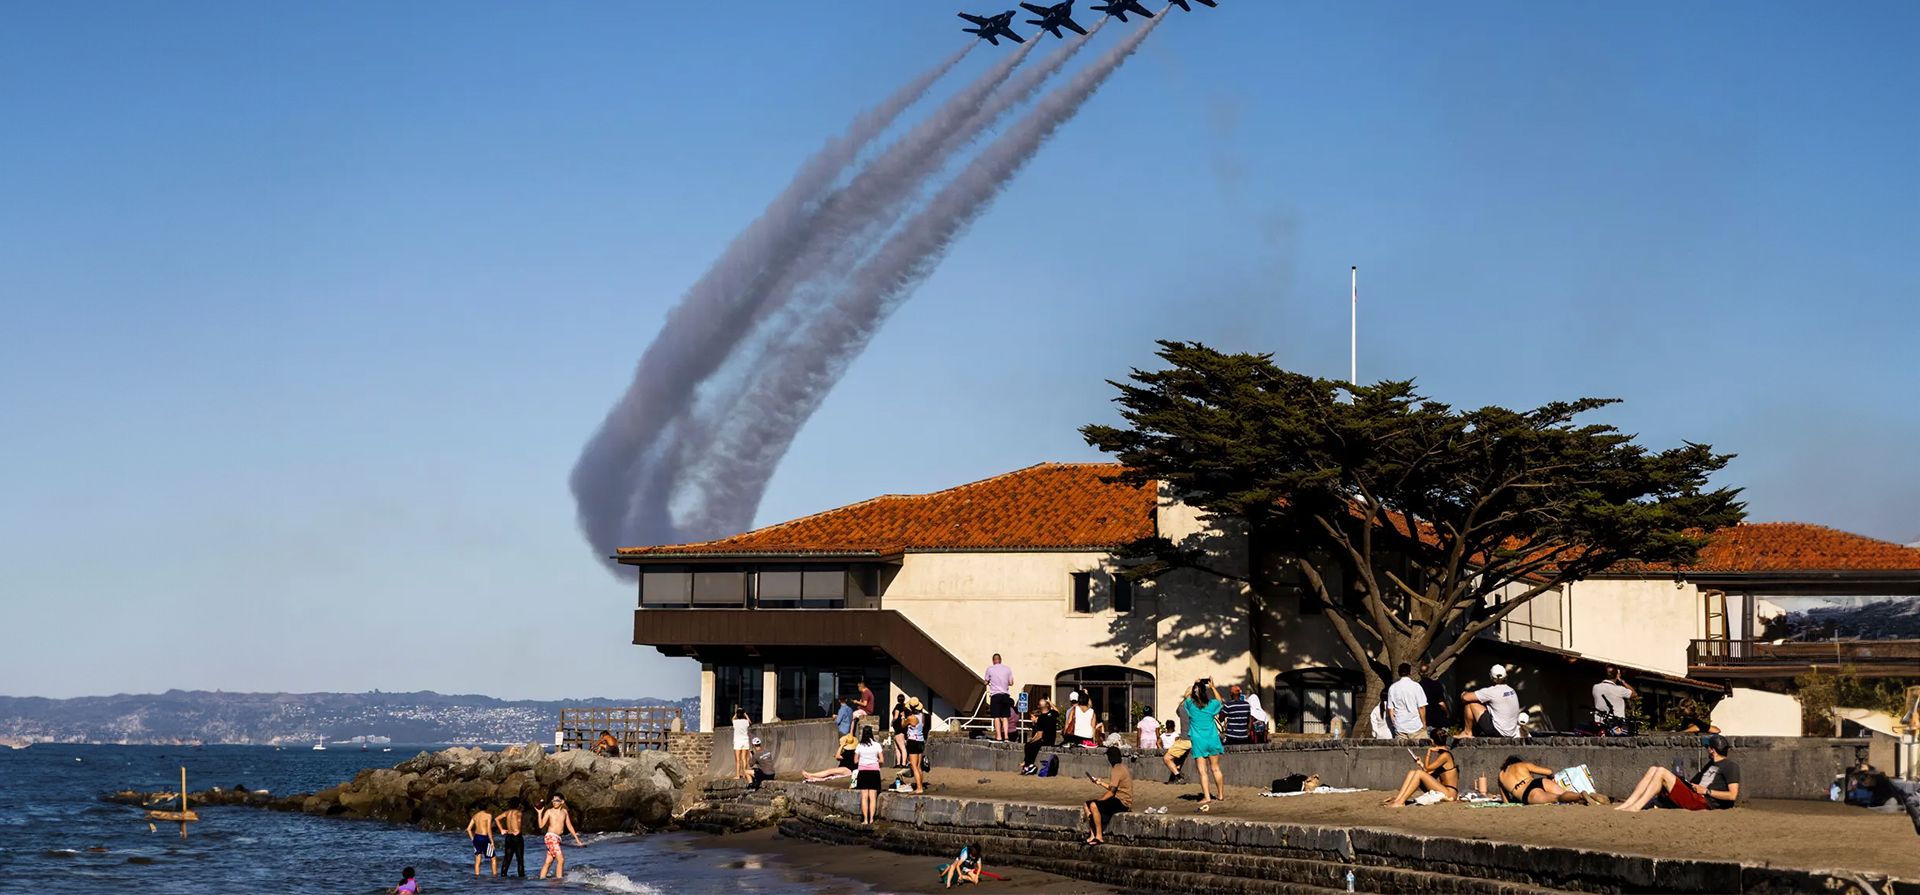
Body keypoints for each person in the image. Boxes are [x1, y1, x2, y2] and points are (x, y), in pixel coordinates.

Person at [1616, 734, 1742, 812]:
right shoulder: (1710, 765)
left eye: (1708, 747)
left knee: (1661, 772)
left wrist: (1706, 791)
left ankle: (1636, 807)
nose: (1707, 750)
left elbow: (1732, 795)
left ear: (1712, 750)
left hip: (1704, 802)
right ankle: (1629, 803)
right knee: (1653, 769)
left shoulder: (1730, 766)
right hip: (1695, 795)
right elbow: (1694, 783)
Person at [1382, 733, 1458, 808]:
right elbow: (1429, 773)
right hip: (1444, 790)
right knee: (1412, 772)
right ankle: (1398, 799)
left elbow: (1428, 768)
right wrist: (1420, 763)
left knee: (1419, 773)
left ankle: (1401, 802)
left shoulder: (1445, 756)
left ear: (1432, 741)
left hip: (1450, 794)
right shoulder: (1444, 755)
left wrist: (1429, 751)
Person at [1183, 679, 1226, 810]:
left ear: (1195, 693)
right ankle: (1220, 795)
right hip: (1212, 738)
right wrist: (1212, 687)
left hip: (1198, 740)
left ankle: (1207, 797)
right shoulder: (1211, 704)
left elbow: (1186, 694)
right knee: (1216, 769)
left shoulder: (1190, 704)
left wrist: (1195, 683)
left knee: (1203, 772)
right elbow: (1220, 701)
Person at [1082, 746, 1133, 845]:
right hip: (1118, 799)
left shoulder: (1117, 770)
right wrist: (1100, 783)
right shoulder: (1121, 767)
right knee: (1086, 804)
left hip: (1122, 802)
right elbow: (1114, 787)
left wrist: (1100, 801)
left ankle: (1099, 836)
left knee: (1093, 805)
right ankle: (1092, 834)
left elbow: (1112, 792)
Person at [1459, 665, 1522, 738]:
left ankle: (1467, 732)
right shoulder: (1511, 690)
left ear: (1491, 677)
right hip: (1511, 731)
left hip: (1499, 731)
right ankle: (1476, 732)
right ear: (1506, 676)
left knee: (1471, 704)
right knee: (1486, 704)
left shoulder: (1491, 691)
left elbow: (1465, 698)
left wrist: (1463, 693)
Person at [1498, 756, 1591, 805]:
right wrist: (1550, 779)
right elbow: (1549, 771)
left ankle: (1581, 795)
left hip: (1528, 794)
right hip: (1538, 781)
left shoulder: (1501, 776)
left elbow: (1506, 802)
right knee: (1564, 794)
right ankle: (1584, 797)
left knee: (1557, 798)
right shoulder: (1523, 765)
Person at [536, 794, 584, 880]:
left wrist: (577, 839)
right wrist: (539, 813)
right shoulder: (549, 811)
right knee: (561, 860)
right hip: (550, 837)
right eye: (553, 800)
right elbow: (541, 825)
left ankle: (541, 879)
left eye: (557, 800)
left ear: (562, 801)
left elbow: (569, 826)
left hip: (557, 838)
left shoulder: (564, 812)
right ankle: (559, 881)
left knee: (549, 861)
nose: (554, 802)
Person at [1386, 663, 1430, 742]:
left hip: (1400, 726)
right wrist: (1424, 723)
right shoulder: (1416, 686)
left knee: (1403, 752)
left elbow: (1390, 709)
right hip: (1416, 724)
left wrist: (1395, 723)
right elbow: (1421, 707)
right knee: (1422, 750)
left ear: (1399, 673)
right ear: (1410, 673)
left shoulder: (1393, 688)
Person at [854, 725, 886, 824]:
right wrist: (876, 762)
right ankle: (872, 819)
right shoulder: (877, 745)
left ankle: (865, 819)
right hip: (874, 772)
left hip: (863, 772)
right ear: (871, 733)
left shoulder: (859, 746)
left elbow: (855, 761)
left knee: (864, 797)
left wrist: (863, 760)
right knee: (873, 797)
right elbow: (882, 760)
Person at [1020, 698, 1059, 775]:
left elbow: (1039, 735)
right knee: (1031, 745)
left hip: (1044, 740)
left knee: (1028, 746)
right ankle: (1028, 764)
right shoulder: (1052, 713)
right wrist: (1050, 702)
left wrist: (1031, 741)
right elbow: (1057, 711)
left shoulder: (1041, 718)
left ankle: (1028, 765)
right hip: (1052, 739)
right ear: (1047, 705)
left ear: (1040, 707)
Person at [984, 653, 1015, 742]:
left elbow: (986, 682)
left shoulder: (990, 669)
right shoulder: (1007, 669)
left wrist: (989, 682)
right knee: (1005, 717)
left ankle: (998, 736)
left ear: (993, 660)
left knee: (996, 716)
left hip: (995, 695)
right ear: (1000, 660)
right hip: (1005, 695)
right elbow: (1011, 682)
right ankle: (1006, 736)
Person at [494, 797, 527, 878]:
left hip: (508, 836)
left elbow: (496, 819)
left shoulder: (507, 812)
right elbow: (519, 824)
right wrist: (519, 830)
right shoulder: (518, 813)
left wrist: (502, 829)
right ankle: (521, 878)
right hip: (516, 836)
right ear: (518, 804)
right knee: (520, 859)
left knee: (507, 859)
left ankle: (503, 876)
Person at [1417, 661, 1451, 740]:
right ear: (1429, 673)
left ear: (1419, 673)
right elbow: (1441, 703)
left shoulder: (1417, 687)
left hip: (1424, 719)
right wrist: (1447, 713)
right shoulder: (1436, 684)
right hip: (1438, 718)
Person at [904, 697, 929, 792]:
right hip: (921, 740)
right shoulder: (922, 716)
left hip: (913, 741)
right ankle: (920, 785)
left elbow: (903, 724)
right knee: (919, 766)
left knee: (914, 766)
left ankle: (919, 788)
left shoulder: (911, 718)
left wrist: (903, 717)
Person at [465, 805, 496, 876]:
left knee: (477, 860)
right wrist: (492, 842)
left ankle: (477, 877)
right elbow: (489, 830)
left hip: (476, 838)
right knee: (493, 858)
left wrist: (472, 839)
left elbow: (468, 829)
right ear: (486, 807)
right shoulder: (488, 815)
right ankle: (495, 877)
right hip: (484, 838)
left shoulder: (475, 816)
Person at [731, 706, 753, 781]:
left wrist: (735, 714)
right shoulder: (745, 722)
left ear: (737, 714)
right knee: (744, 759)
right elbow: (750, 722)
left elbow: (732, 719)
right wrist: (746, 715)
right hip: (745, 740)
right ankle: (744, 774)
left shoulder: (735, 722)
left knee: (738, 760)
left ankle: (737, 775)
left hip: (737, 741)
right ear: (743, 714)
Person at [891, 694, 911, 768]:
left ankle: (902, 763)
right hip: (903, 728)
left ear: (897, 699)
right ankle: (899, 763)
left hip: (898, 729)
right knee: (898, 746)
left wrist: (892, 721)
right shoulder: (905, 708)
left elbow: (895, 716)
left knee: (901, 747)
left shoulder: (898, 706)